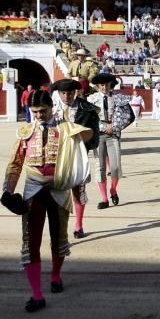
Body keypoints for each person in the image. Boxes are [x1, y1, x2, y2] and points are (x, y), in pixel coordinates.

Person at [1, 89, 93, 312]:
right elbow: (15, 165)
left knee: (59, 239)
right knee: (31, 242)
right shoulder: (25, 132)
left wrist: (78, 189)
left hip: (58, 189)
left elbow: (78, 162)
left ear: (51, 107)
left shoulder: (66, 130)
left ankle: (55, 276)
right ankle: (37, 294)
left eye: (42, 111)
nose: (39, 116)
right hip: (33, 189)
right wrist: (7, 191)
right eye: (34, 112)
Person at [51, 78, 100, 239]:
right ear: (58, 93)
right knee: (57, 192)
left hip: (78, 154)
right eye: (63, 93)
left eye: (70, 93)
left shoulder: (87, 109)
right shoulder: (50, 108)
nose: (66, 97)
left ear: (76, 92)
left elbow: (94, 137)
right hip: (56, 154)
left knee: (78, 191)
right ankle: (59, 225)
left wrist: (83, 140)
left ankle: (78, 225)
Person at [87, 73, 135, 208]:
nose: (104, 87)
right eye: (101, 85)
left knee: (115, 167)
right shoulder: (91, 99)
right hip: (98, 134)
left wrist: (114, 127)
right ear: (97, 86)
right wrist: (103, 126)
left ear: (110, 85)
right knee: (100, 167)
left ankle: (113, 190)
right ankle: (104, 199)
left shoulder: (118, 97)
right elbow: (89, 119)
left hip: (114, 134)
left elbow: (129, 116)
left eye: (107, 84)